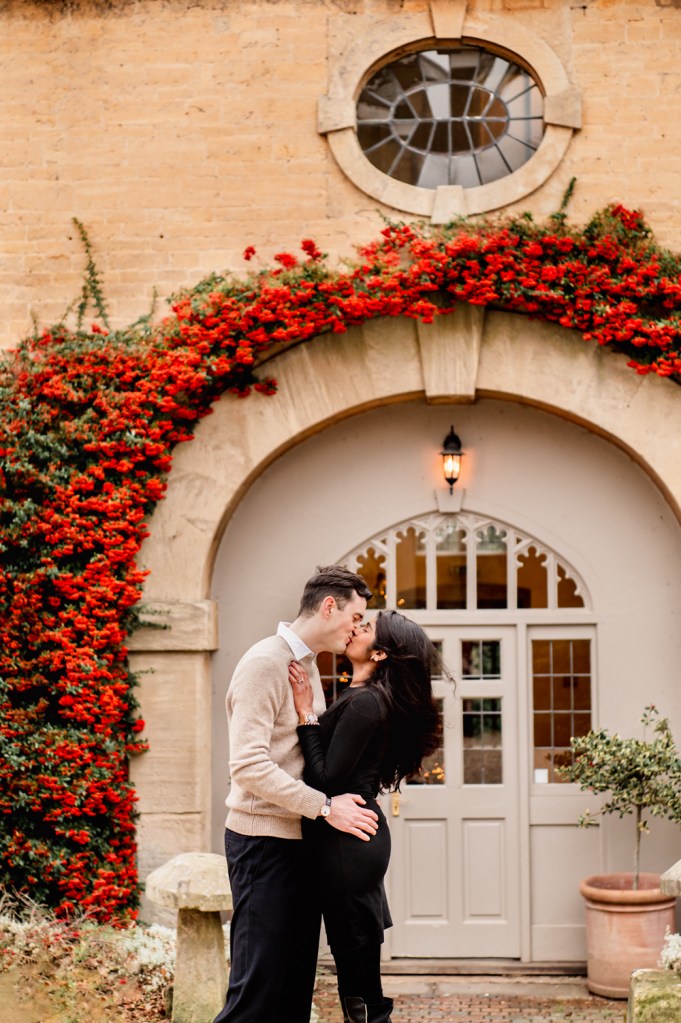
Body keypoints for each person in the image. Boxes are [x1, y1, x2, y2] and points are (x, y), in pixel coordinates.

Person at [213, 565, 379, 1023]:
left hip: (298, 843)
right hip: (262, 846)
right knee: (256, 996)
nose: (357, 628)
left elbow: (304, 752)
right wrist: (325, 808)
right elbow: (247, 766)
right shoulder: (265, 662)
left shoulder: (306, 665)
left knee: (292, 995)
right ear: (330, 607)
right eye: (356, 616)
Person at [289, 609, 444, 1023]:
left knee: (357, 974)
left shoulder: (366, 703)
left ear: (380, 654)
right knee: (357, 970)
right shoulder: (365, 698)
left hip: (346, 842)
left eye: (366, 627)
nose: (354, 628)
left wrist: (306, 713)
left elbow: (325, 779)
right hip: (355, 838)